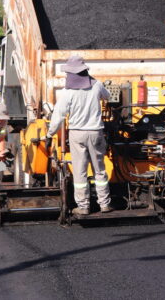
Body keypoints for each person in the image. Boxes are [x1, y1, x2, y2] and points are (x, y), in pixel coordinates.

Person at [46, 55, 112, 215]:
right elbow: (108, 96)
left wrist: (50, 133)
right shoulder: (96, 85)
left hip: (77, 134)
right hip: (96, 132)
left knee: (80, 171)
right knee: (99, 169)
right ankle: (104, 204)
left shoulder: (67, 92)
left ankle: (83, 206)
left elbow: (58, 115)